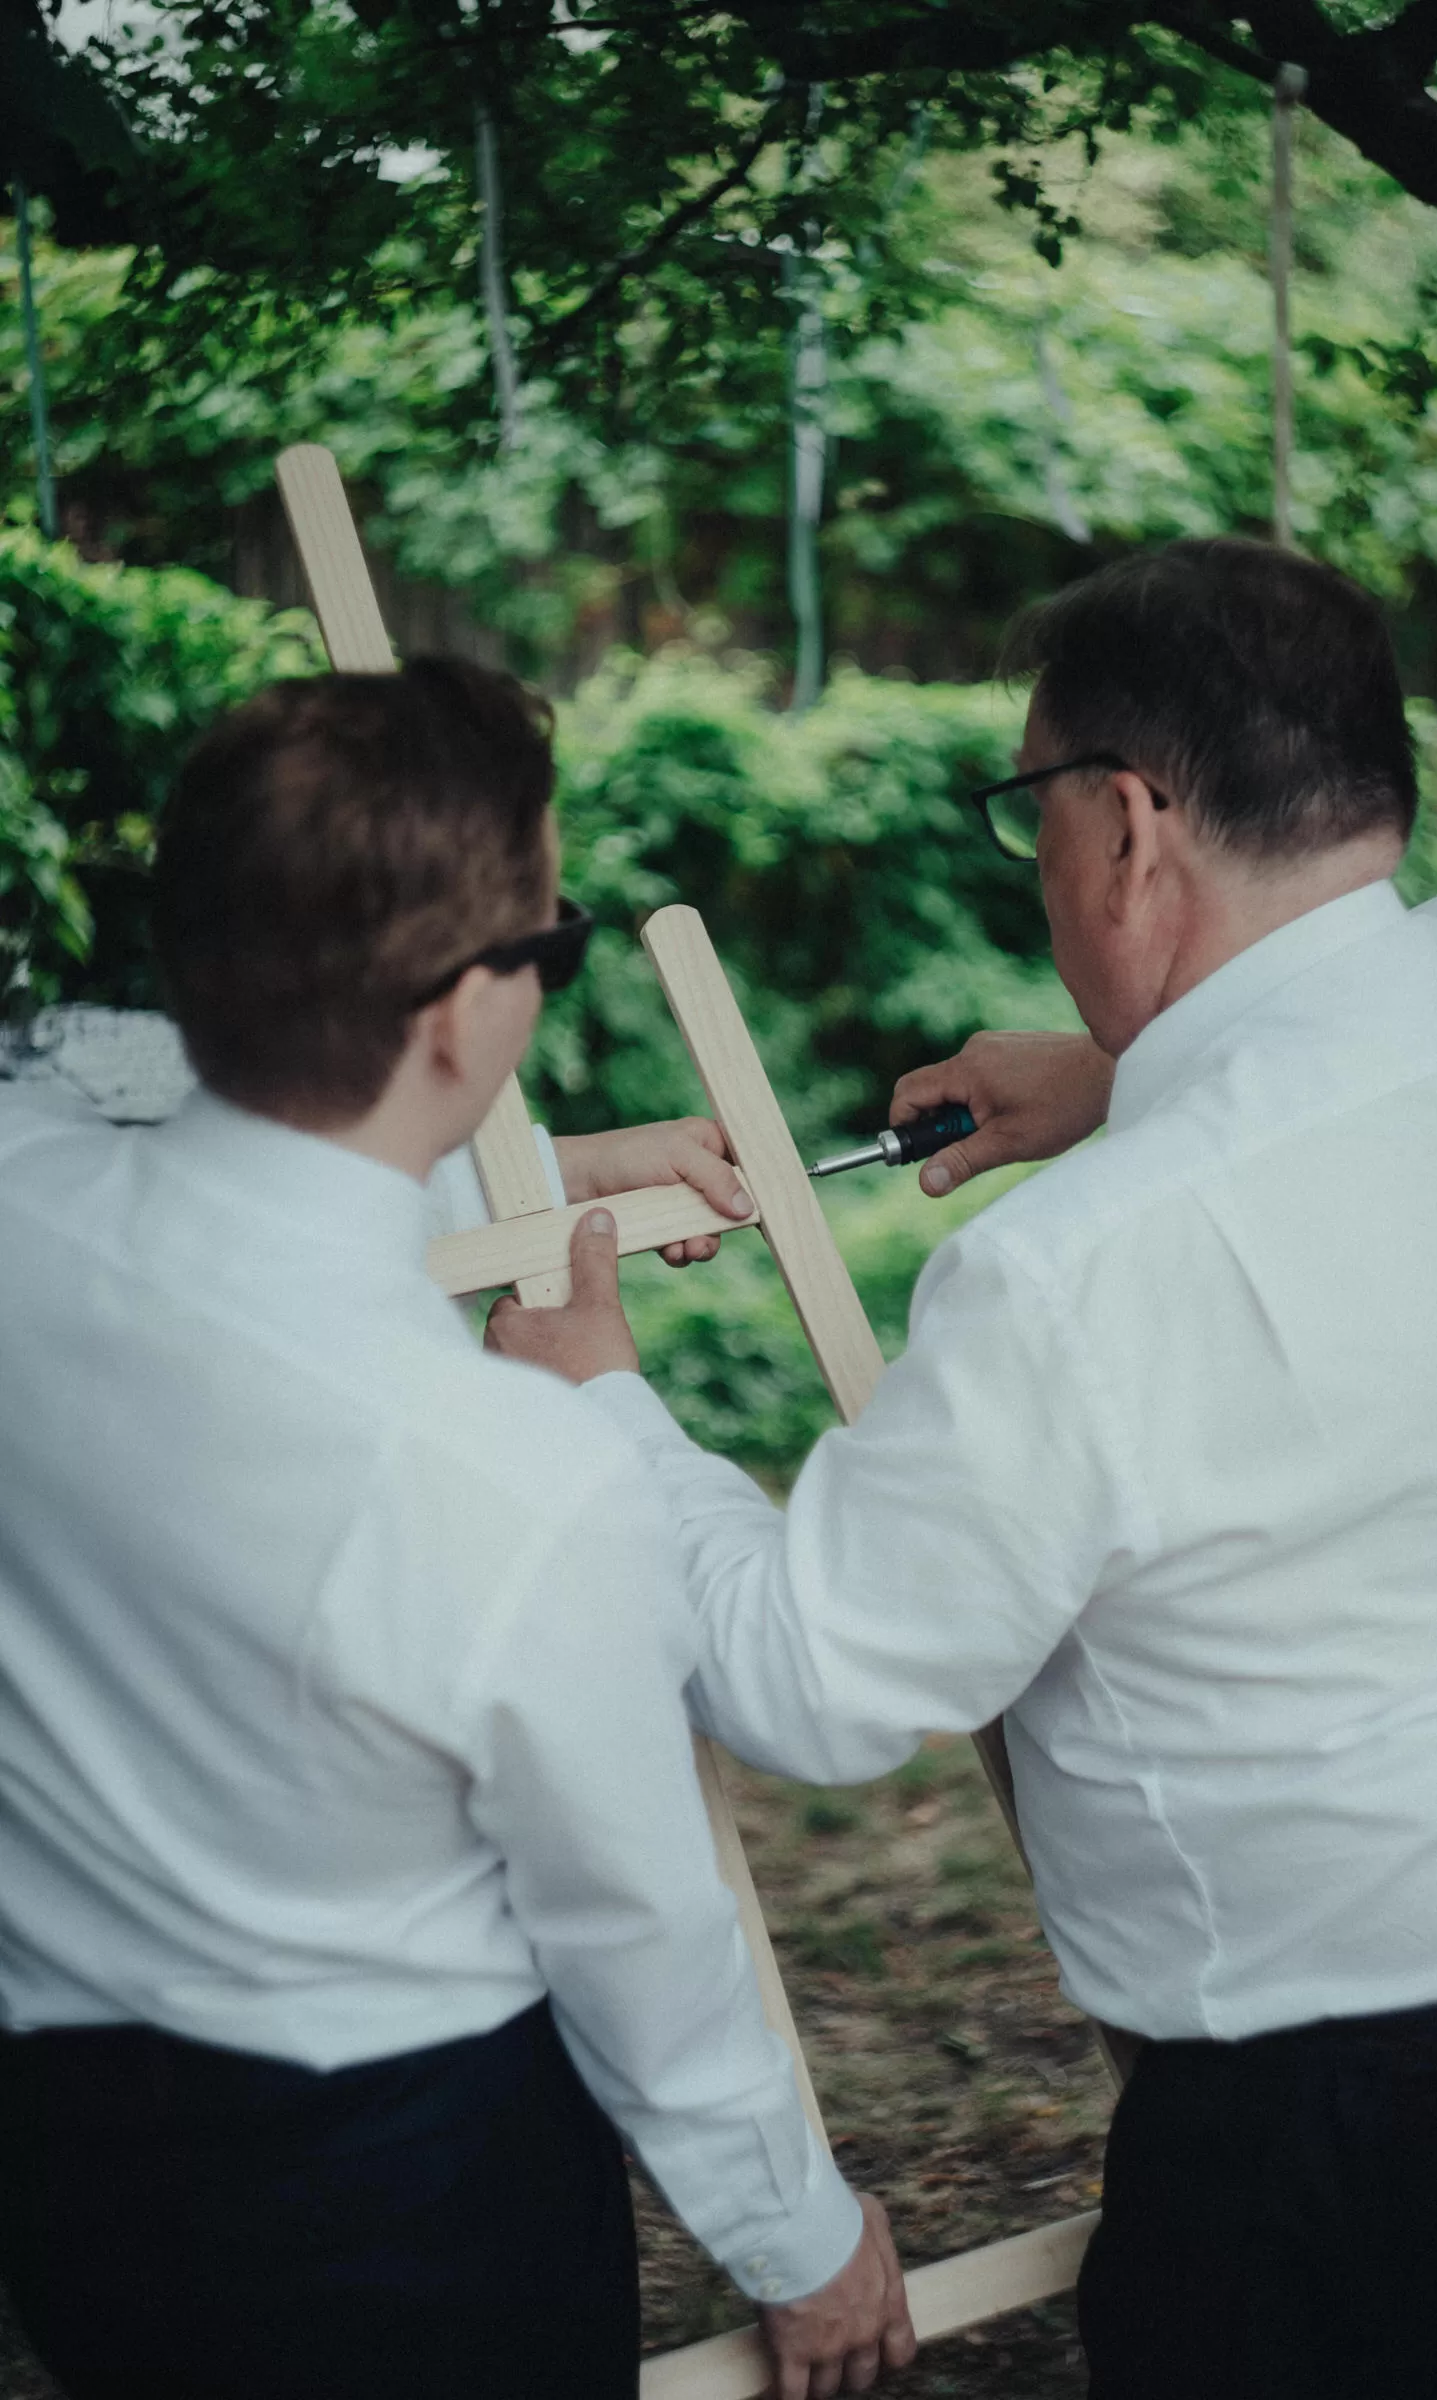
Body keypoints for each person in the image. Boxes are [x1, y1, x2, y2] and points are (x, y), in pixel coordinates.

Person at [489, 539, 1437, 2400]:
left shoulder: (1078, 1273)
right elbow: (1362, 1092)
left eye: (1034, 813)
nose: (1039, 866)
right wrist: (1125, 1078)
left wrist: (600, 1397)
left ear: (1129, 827)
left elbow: (807, 1680)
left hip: (1336, 2159)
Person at [0, 658, 916, 2400]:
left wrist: (548, 1171)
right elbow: (634, 1924)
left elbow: (148, 1108)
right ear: (458, 1017)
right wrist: (797, 2240)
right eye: (547, 943)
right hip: (404, 2208)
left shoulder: (19, 1209)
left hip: (71, 2168)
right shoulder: (518, 1471)